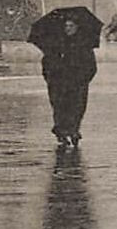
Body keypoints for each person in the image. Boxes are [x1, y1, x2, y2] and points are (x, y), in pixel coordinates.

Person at [42, 17, 98, 148]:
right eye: (66, 26)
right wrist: (51, 78)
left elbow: (91, 66)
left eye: (71, 26)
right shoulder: (55, 45)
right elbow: (47, 63)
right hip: (59, 83)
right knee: (60, 107)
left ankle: (73, 130)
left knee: (77, 108)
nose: (68, 29)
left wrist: (84, 80)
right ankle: (61, 131)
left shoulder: (84, 45)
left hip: (77, 83)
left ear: (77, 27)